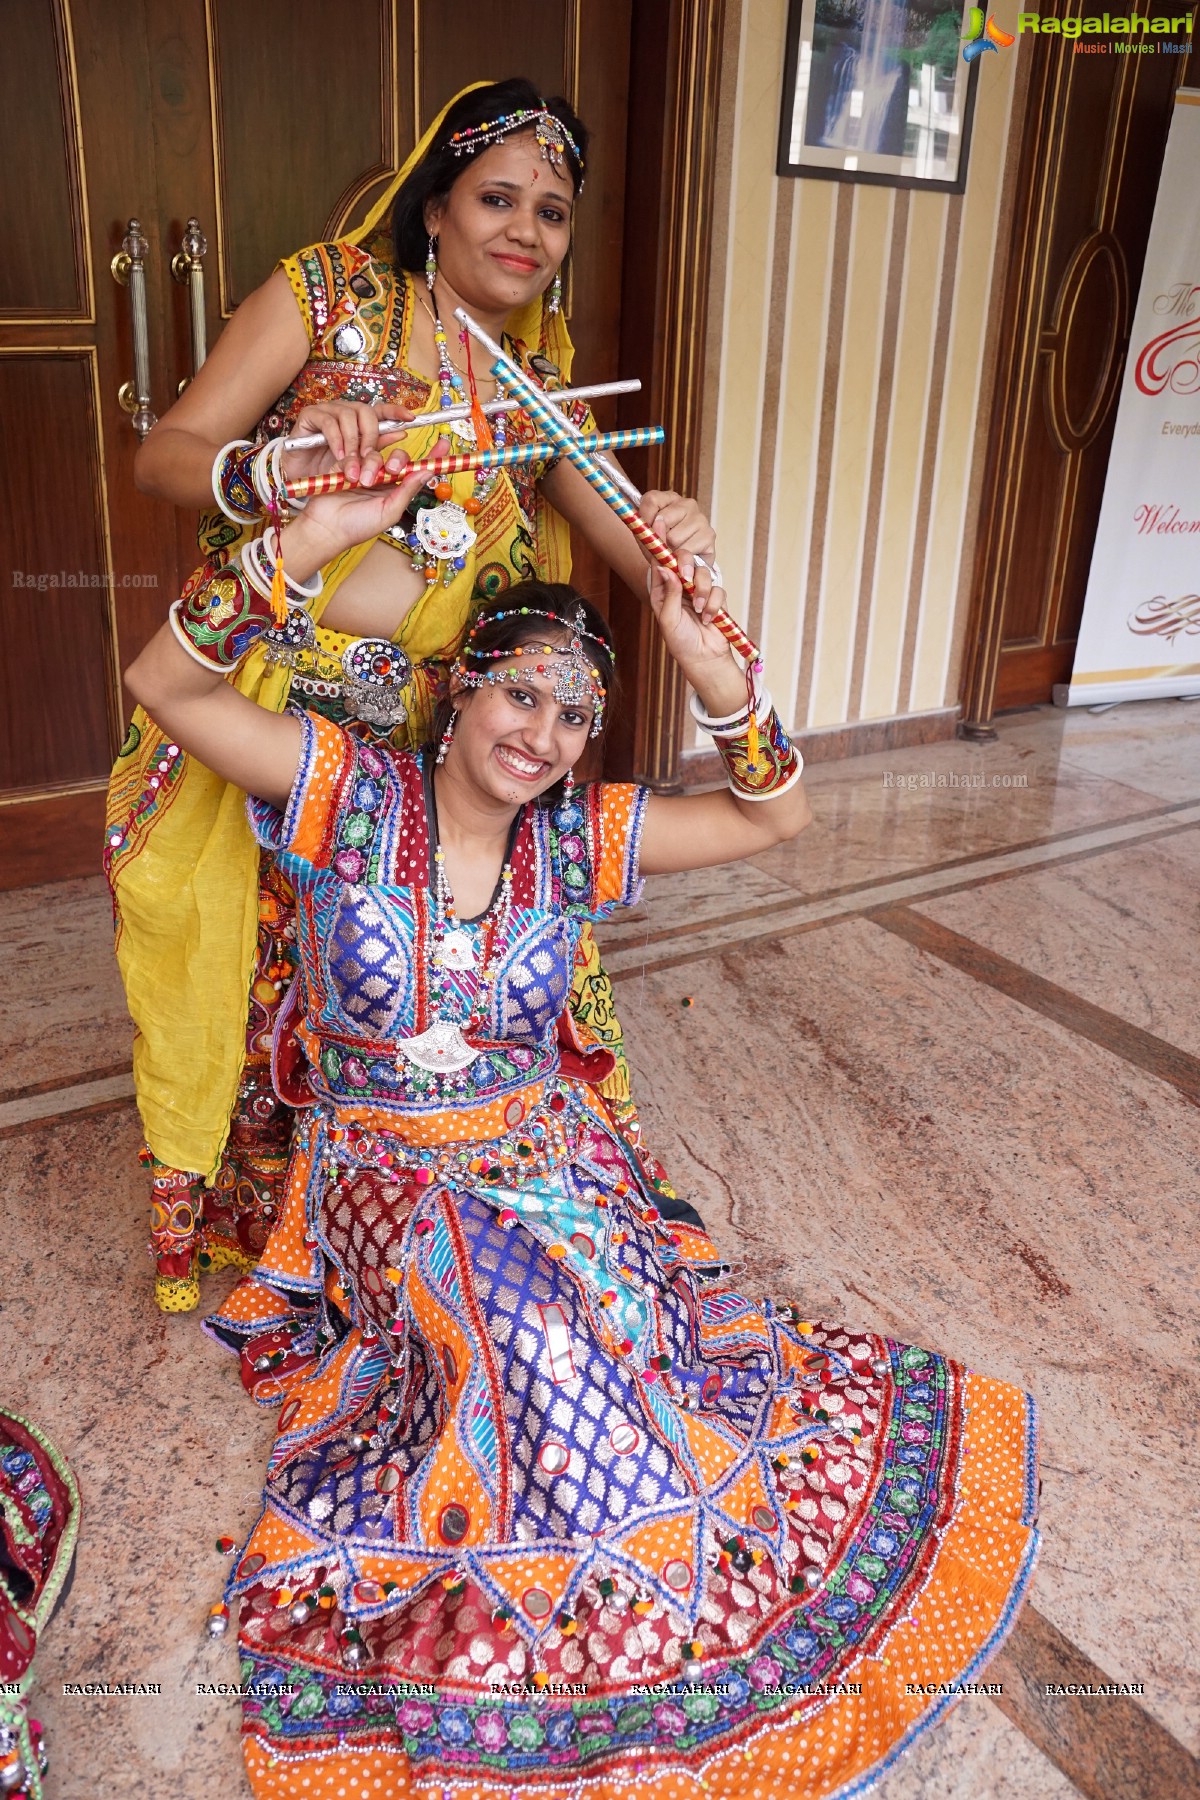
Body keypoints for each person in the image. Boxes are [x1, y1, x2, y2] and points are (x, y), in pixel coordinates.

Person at [124, 458, 1039, 1799]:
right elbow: (163, 686)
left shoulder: (574, 839)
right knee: (525, 1325)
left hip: (550, 1153)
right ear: (461, 691)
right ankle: (566, 1627)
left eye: (576, 715)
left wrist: (709, 661)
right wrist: (301, 544)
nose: (543, 734)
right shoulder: (346, 790)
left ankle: (655, 1572)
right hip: (381, 1170)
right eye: (521, 694)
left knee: (617, 1325)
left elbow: (776, 814)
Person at [107, 78, 715, 1311]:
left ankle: (465, 1166)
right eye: (499, 197)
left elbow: (608, 514)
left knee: (442, 963)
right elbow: (165, 454)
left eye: (552, 212)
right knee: (269, 971)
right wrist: (283, 463)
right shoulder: (332, 295)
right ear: (436, 204)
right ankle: (284, 1225)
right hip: (279, 703)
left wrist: (673, 531)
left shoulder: (534, 369)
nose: (525, 230)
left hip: (436, 735)